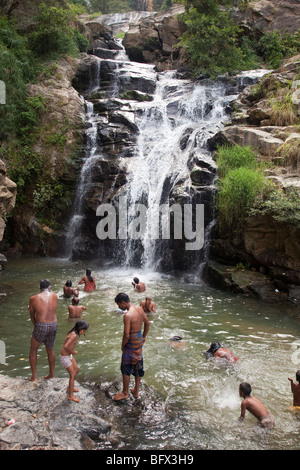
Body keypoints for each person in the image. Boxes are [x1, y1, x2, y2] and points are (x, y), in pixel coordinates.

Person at [113, 292, 150, 401]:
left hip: (130, 343)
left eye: (119, 305)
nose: (119, 307)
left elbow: (127, 334)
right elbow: (147, 324)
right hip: (139, 341)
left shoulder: (127, 315)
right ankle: (136, 391)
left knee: (126, 368)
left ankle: (125, 392)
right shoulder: (139, 308)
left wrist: (122, 346)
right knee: (138, 365)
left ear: (123, 303)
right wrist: (144, 337)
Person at [28, 279, 58, 382]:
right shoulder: (55, 296)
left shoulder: (33, 298)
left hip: (41, 324)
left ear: (39, 288)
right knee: (50, 349)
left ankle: (34, 377)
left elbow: (32, 315)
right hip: (54, 324)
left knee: (33, 349)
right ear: (49, 287)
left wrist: (36, 325)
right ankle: (52, 375)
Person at [59, 320, 89, 403]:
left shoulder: (73, 333)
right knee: (72, 374)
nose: (84, 332)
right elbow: (65, 346)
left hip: (68, 356)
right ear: (79, 328)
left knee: (76, 369)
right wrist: (73, 352)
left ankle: (70, 388)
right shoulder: (73, 335)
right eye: (83, 331)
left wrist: (71, 353)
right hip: (65, 357)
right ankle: (70, 396)